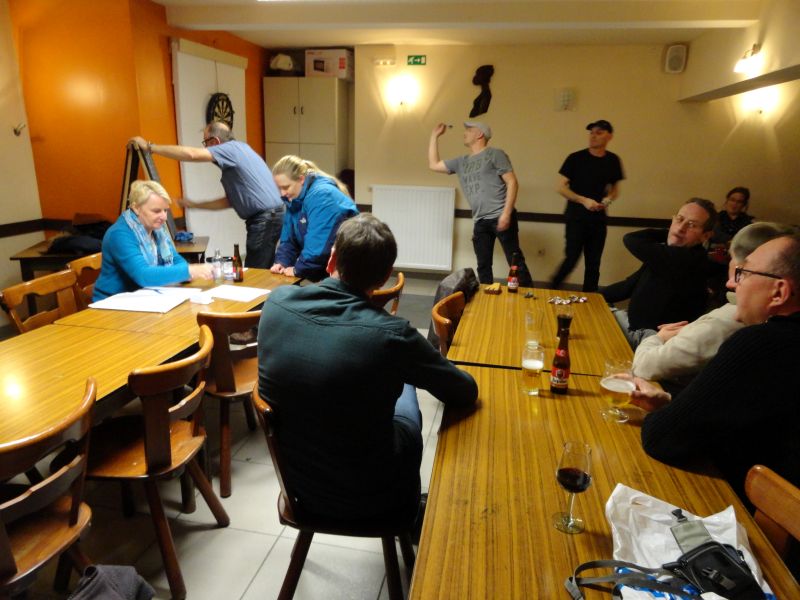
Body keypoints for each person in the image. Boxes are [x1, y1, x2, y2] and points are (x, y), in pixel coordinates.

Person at [257, 213, 478, 522]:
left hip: (299, 488)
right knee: (406, 387)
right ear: (385, 276)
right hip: (375, 498)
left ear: (332, 260)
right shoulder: (394, 336)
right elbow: (464, 392)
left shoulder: (276, 302)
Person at [630, 233, 800, 506]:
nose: (731, 283)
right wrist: (670, 403)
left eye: (743, 274)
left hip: (746, 509)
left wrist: (668, 414)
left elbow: (661, 439)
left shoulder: (763, 343)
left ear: (779, 292)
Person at [632, 222, 795, 394]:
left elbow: (645, 366)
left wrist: (658, 337)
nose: (729, 283)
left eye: (743, 272)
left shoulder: (730, 321)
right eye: (679, 219)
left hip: (654, 350)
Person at [129, 121, 284, 268]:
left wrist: (150, 147)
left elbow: (191, 154)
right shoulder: (241, 150)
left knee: (256, 271)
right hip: (272, 215)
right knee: (261, 267)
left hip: (265, 218)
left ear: (215, 142)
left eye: (205, 143)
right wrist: (194, 204)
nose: (205, 148)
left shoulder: (229, 149)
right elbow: (228, 201)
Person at [602, 198, 717, 348]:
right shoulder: (669, 254)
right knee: (591, 312)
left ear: (706, 236)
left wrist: (672, 231)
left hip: (651, 342)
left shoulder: (689, 259)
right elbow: (628, 286)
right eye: (679, 219)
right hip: (634, 327)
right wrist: (590, 296)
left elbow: (631, 239)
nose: (681, 228)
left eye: (691, 225)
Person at [429, 121, 533, 286]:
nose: (465, 133)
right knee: (483, 266)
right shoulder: (461, 161)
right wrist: (434, 136)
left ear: (479, 134)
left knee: (515, 262)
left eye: (469, 130)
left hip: (501, 215)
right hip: (480, 220)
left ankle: (529, 295)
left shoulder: (495, 154)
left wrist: (506, 214)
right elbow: (434, 165)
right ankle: (486, 298)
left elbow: (512, 182)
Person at [93, 180, 213, 300]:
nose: (164, 217)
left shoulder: (156, 229)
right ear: (136, 208)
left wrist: (187, 271)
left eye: (165, 210)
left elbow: (176, 259)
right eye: (156, 211)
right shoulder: (120, 234)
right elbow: (143, 275)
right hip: (112, 302)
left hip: (142, 297)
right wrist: (189, 270)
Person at [550, 120, 624, 292]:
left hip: (598, 219)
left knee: (594, 262)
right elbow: (561, 187)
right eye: (591, 132)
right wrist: (583, 200)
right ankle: (551, 290)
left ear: (609, 136)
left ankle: (590, 299)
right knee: (571, 258)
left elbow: (615, 189)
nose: (593, 136)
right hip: (576, 217)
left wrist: (607, 200)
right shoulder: (575, 158)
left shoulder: (613, 160)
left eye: (599, 132)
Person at [270, 155, 358, 282]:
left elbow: (318, 247)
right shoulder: (294, 199)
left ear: (301, 179)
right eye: (280, 188)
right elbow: (288, 239)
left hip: (348, 270)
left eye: (286, 187)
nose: (282, 193)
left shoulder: (322, 195)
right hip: (328, 268)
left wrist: (298, 269)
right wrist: (282, 262)